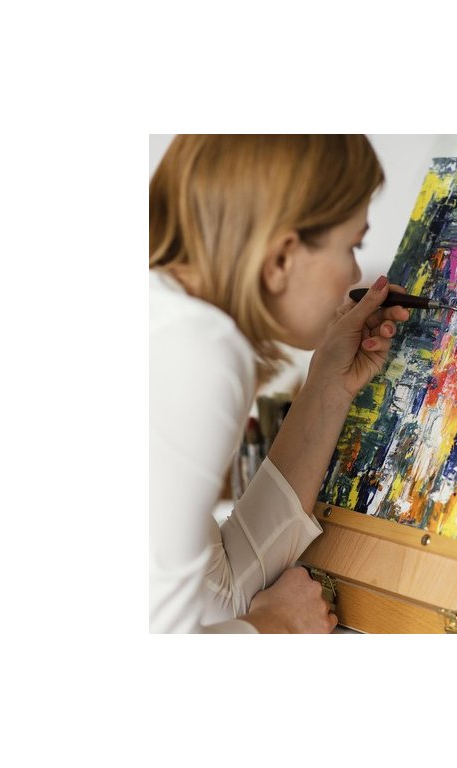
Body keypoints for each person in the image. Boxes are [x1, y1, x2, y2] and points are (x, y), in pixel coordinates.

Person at [149, 135, 409, 633]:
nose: (356, 273)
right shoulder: (197, 349)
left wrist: (329, 385)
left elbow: (217, 594)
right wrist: (276, 626)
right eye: (352, 246)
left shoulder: (169, 323)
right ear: (281, 258)